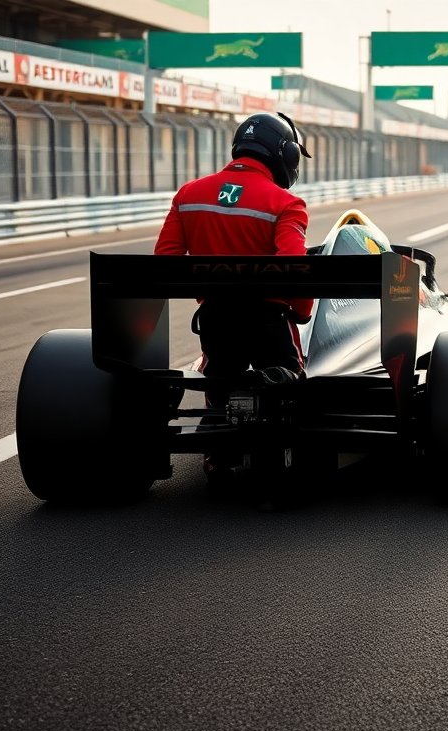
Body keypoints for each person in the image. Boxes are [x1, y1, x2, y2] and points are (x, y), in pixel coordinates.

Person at [154, 111, 314, 481]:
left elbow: (165, 263)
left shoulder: (189, 195)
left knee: (220, 380)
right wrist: (301, 312)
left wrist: (211, 295)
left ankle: (219, 452)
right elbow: (295, 269)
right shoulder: (285, 204)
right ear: (284, 155)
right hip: (268, 322)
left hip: (215, 320)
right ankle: (286, 457)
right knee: (290, 382)